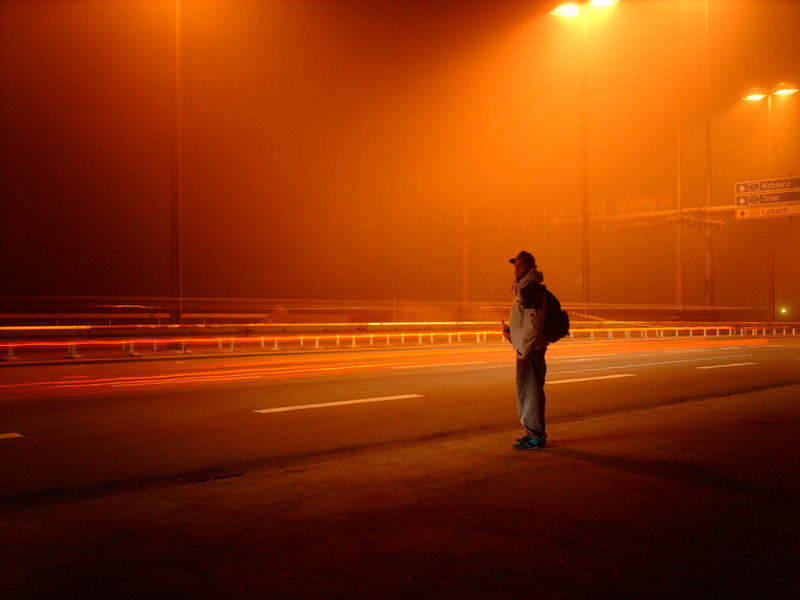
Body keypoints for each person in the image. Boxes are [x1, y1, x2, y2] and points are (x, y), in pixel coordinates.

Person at [502, 250, 548, 450]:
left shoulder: (531, 290)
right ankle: (531, 433)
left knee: (531, 393)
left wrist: (524, 350)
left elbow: (533, 324)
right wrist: (511, 332)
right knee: (526, 393)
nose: (516, 269)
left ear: (530, 266)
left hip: (530, 351)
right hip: (525, 349)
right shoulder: (523, 288)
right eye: (515, 265)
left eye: (520, 265)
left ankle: (536, 436)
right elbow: (524, 322)